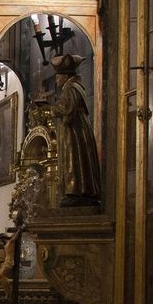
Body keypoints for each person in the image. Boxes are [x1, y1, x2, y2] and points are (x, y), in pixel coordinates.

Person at [49, 54, 101, 207]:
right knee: (78, 158)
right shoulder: (74, 86)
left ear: (65, 76)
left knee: (74, 157)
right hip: (75, 128)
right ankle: (78, 190)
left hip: (74, 131)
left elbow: (65, 107)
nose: (56, 81)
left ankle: (76, 191)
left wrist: (50, 108)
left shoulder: (71, 88)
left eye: (58, 77)